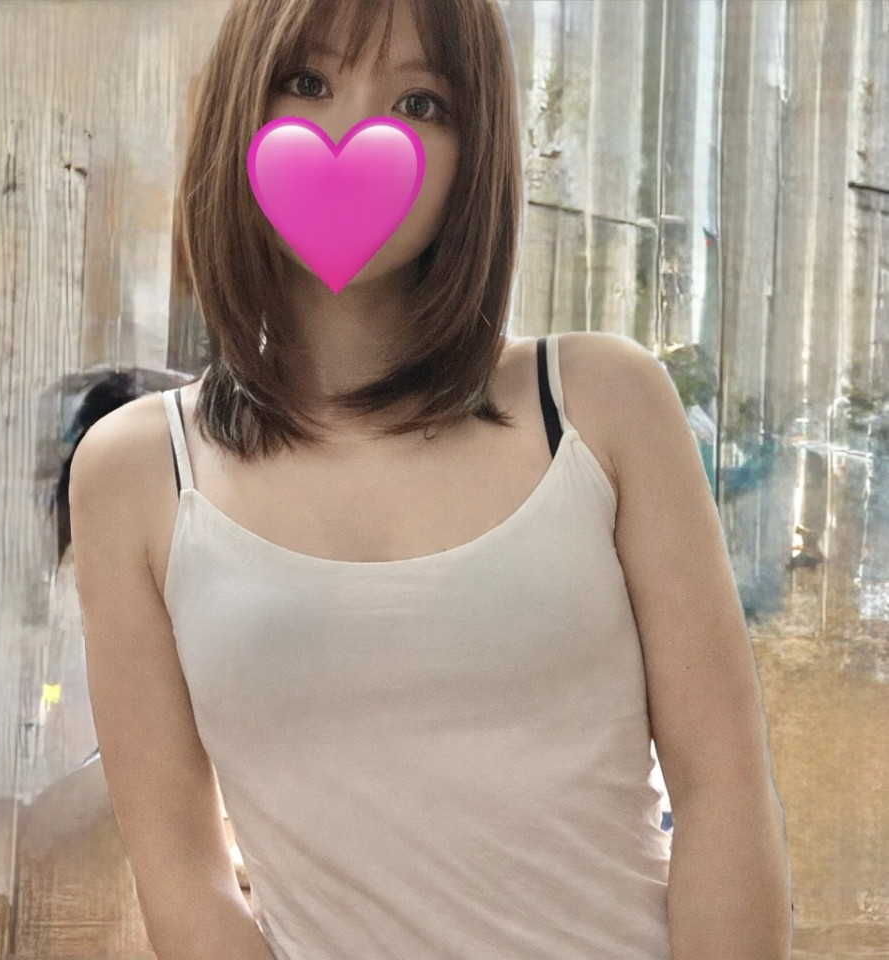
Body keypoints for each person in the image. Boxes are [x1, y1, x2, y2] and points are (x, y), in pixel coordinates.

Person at [68, 1, 793, 958]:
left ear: (474, 150)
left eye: (419, 102)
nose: (353, 133)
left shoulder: (599, 403)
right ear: (241, 106)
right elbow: (182, 877)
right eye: (308, 82)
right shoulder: (136, 471)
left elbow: (722, 788)